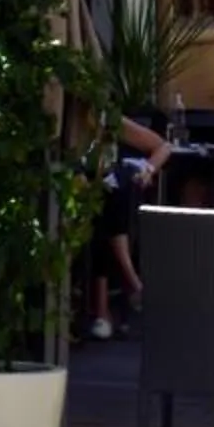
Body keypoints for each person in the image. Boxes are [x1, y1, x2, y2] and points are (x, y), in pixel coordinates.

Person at [86, 112, 171, 339]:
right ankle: (133, 283)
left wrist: (148, 170)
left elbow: (163, 147)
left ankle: (105, 310)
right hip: (85, 193)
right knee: (108, 201)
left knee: (111, 199)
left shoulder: (108, 119)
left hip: (107, 196)